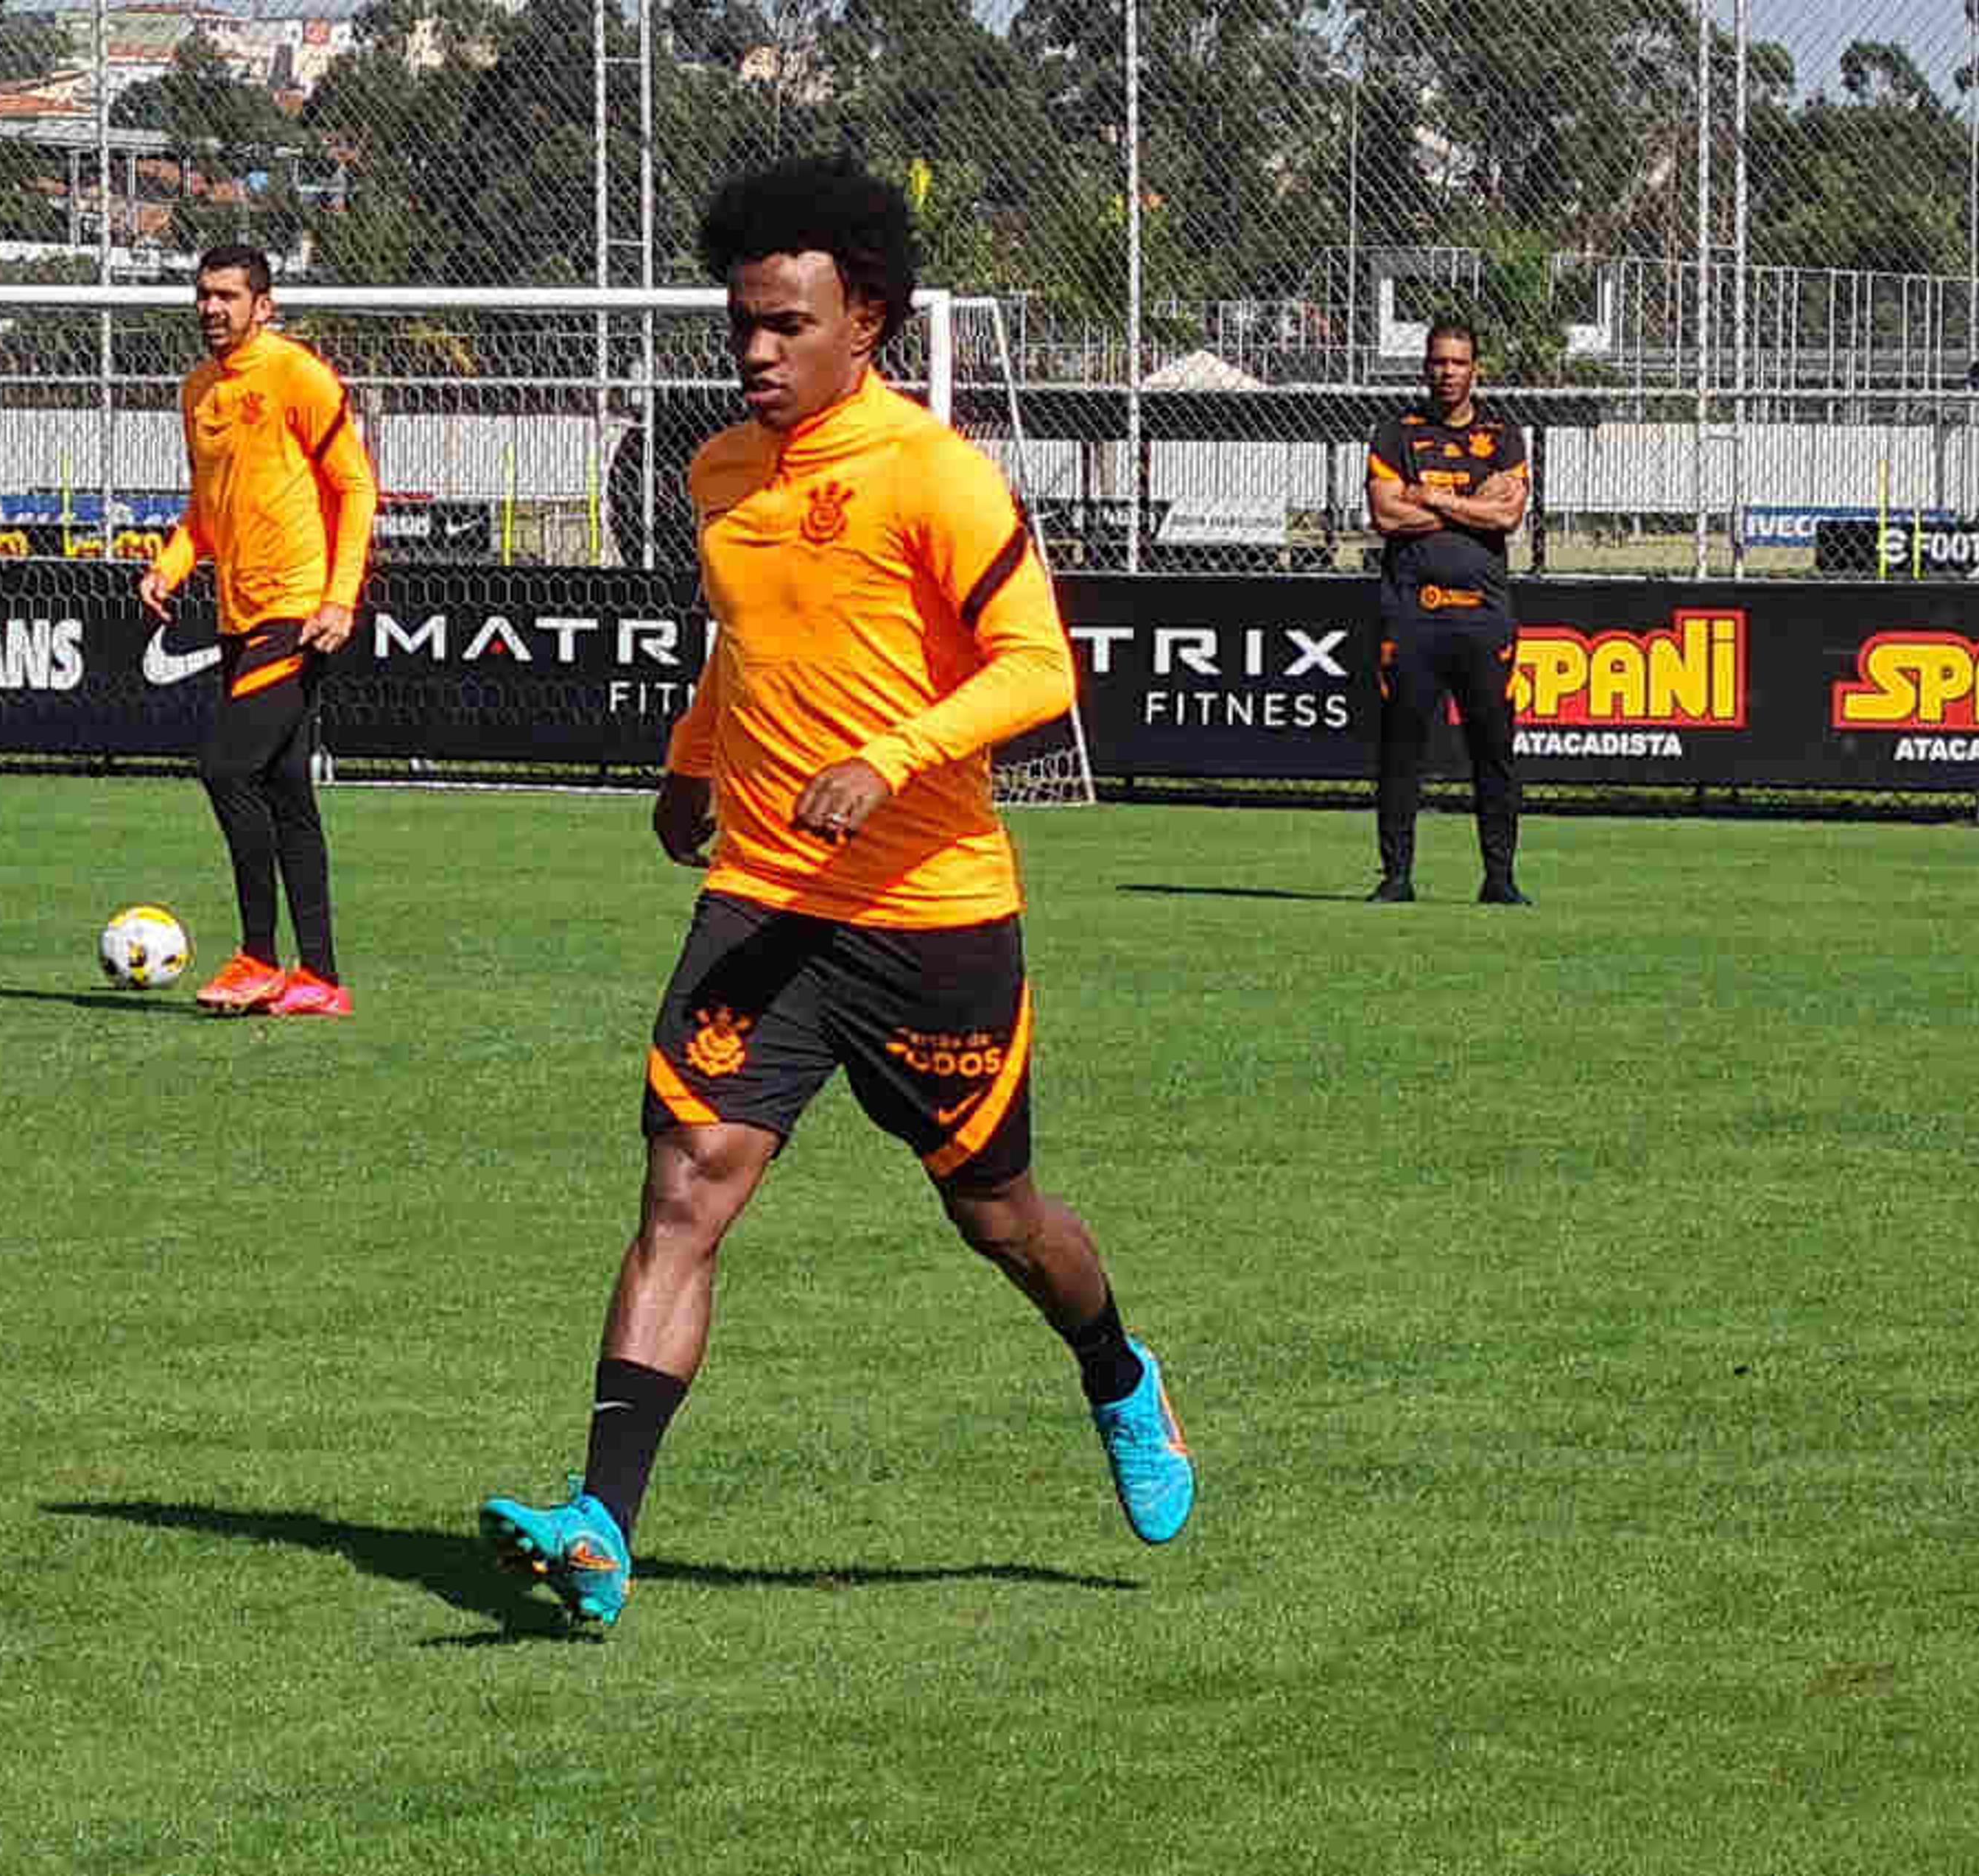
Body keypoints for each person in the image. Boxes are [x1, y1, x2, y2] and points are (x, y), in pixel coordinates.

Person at [475, 157, 1195, 1632]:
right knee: (685, 1189)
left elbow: (1041, 670)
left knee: (999, 1217)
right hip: (760, 901)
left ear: (867, 319)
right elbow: (742, 649)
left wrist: (894, 755)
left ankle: (1118, 1370)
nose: (753, 351)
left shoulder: (936, 472)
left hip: (933, 914)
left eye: (785, 324)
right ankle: (603, 1523)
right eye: (741, 322)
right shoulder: (720, 476)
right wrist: (690, 760)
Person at [137, 244, 379, 1018]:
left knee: (225, 767)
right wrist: (169, 570)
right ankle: (322, 979)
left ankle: (257, 956)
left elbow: (355, 485)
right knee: (284, 789)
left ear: (263, 306)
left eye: (228, 296)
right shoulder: (198, 391)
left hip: (299, 612)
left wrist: (341, 599)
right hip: (238, 615)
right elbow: (205, 512)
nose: (211, 309)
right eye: (203, 295)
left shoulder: (296, 374)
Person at [1364, 320, 1532, 904]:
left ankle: (1500, 877)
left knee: (1494, 750)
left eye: (1458, 363)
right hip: (1412, 616)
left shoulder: (1504, 437)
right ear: (1424, 367)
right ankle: (1397, 875)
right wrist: (1469, 504)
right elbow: (1386, 517)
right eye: (1438, 362)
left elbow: (1507, 517)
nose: (1447, 372)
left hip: (1483, 619)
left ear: (1475, 370)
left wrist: (1431, 497)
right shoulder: (1395, 435)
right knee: (1401, 748)